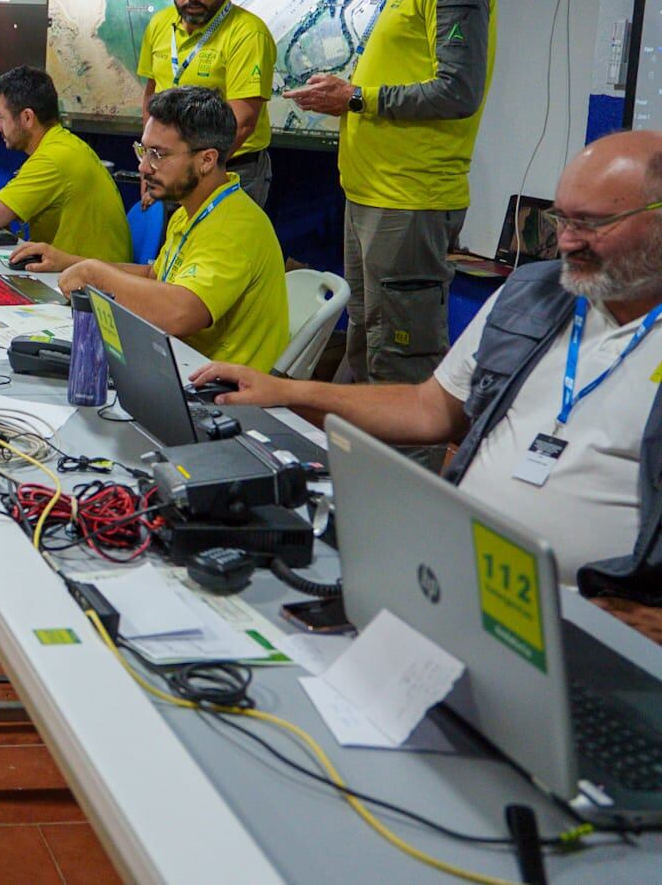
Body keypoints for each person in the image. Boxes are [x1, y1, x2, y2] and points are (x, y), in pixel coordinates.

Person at [193, 132, 662, 590]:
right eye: (563, 220)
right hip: (454, 572)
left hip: (594, 616)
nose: (566, 242)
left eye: (592, 224)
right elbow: (429, 407)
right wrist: (285, 392)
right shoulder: (534, 292)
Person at [285, 0, 497, 384]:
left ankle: (404, 465)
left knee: (400, 360)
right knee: (369, 346)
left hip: (410, 201)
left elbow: (457, 91)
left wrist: (355, 97)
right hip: (371, 197)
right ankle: (361, 464)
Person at [16, 87, 287, 373]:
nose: (144, 167)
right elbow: (156, 276)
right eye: (144, 151)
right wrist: (69, 261)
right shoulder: (191, 211)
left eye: (158, 154)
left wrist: (95, 274)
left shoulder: (233, 226)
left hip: (219, 393)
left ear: (207, 160)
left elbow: (180, 312)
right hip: (178, 366)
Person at [0, 65, 131, 264]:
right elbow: (8, 203)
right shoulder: (64, 144)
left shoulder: (50, 160)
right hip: (86, 275)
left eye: (1, 118)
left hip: (89, 289)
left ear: (27, 118)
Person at [136, 0, 277, 207]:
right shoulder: (159, 24)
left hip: (229, 169)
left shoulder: (248, 33)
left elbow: (243, 121)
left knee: (218, 247)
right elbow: (151, 97)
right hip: (170, 167)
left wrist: (192, 171)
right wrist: (150, 160)